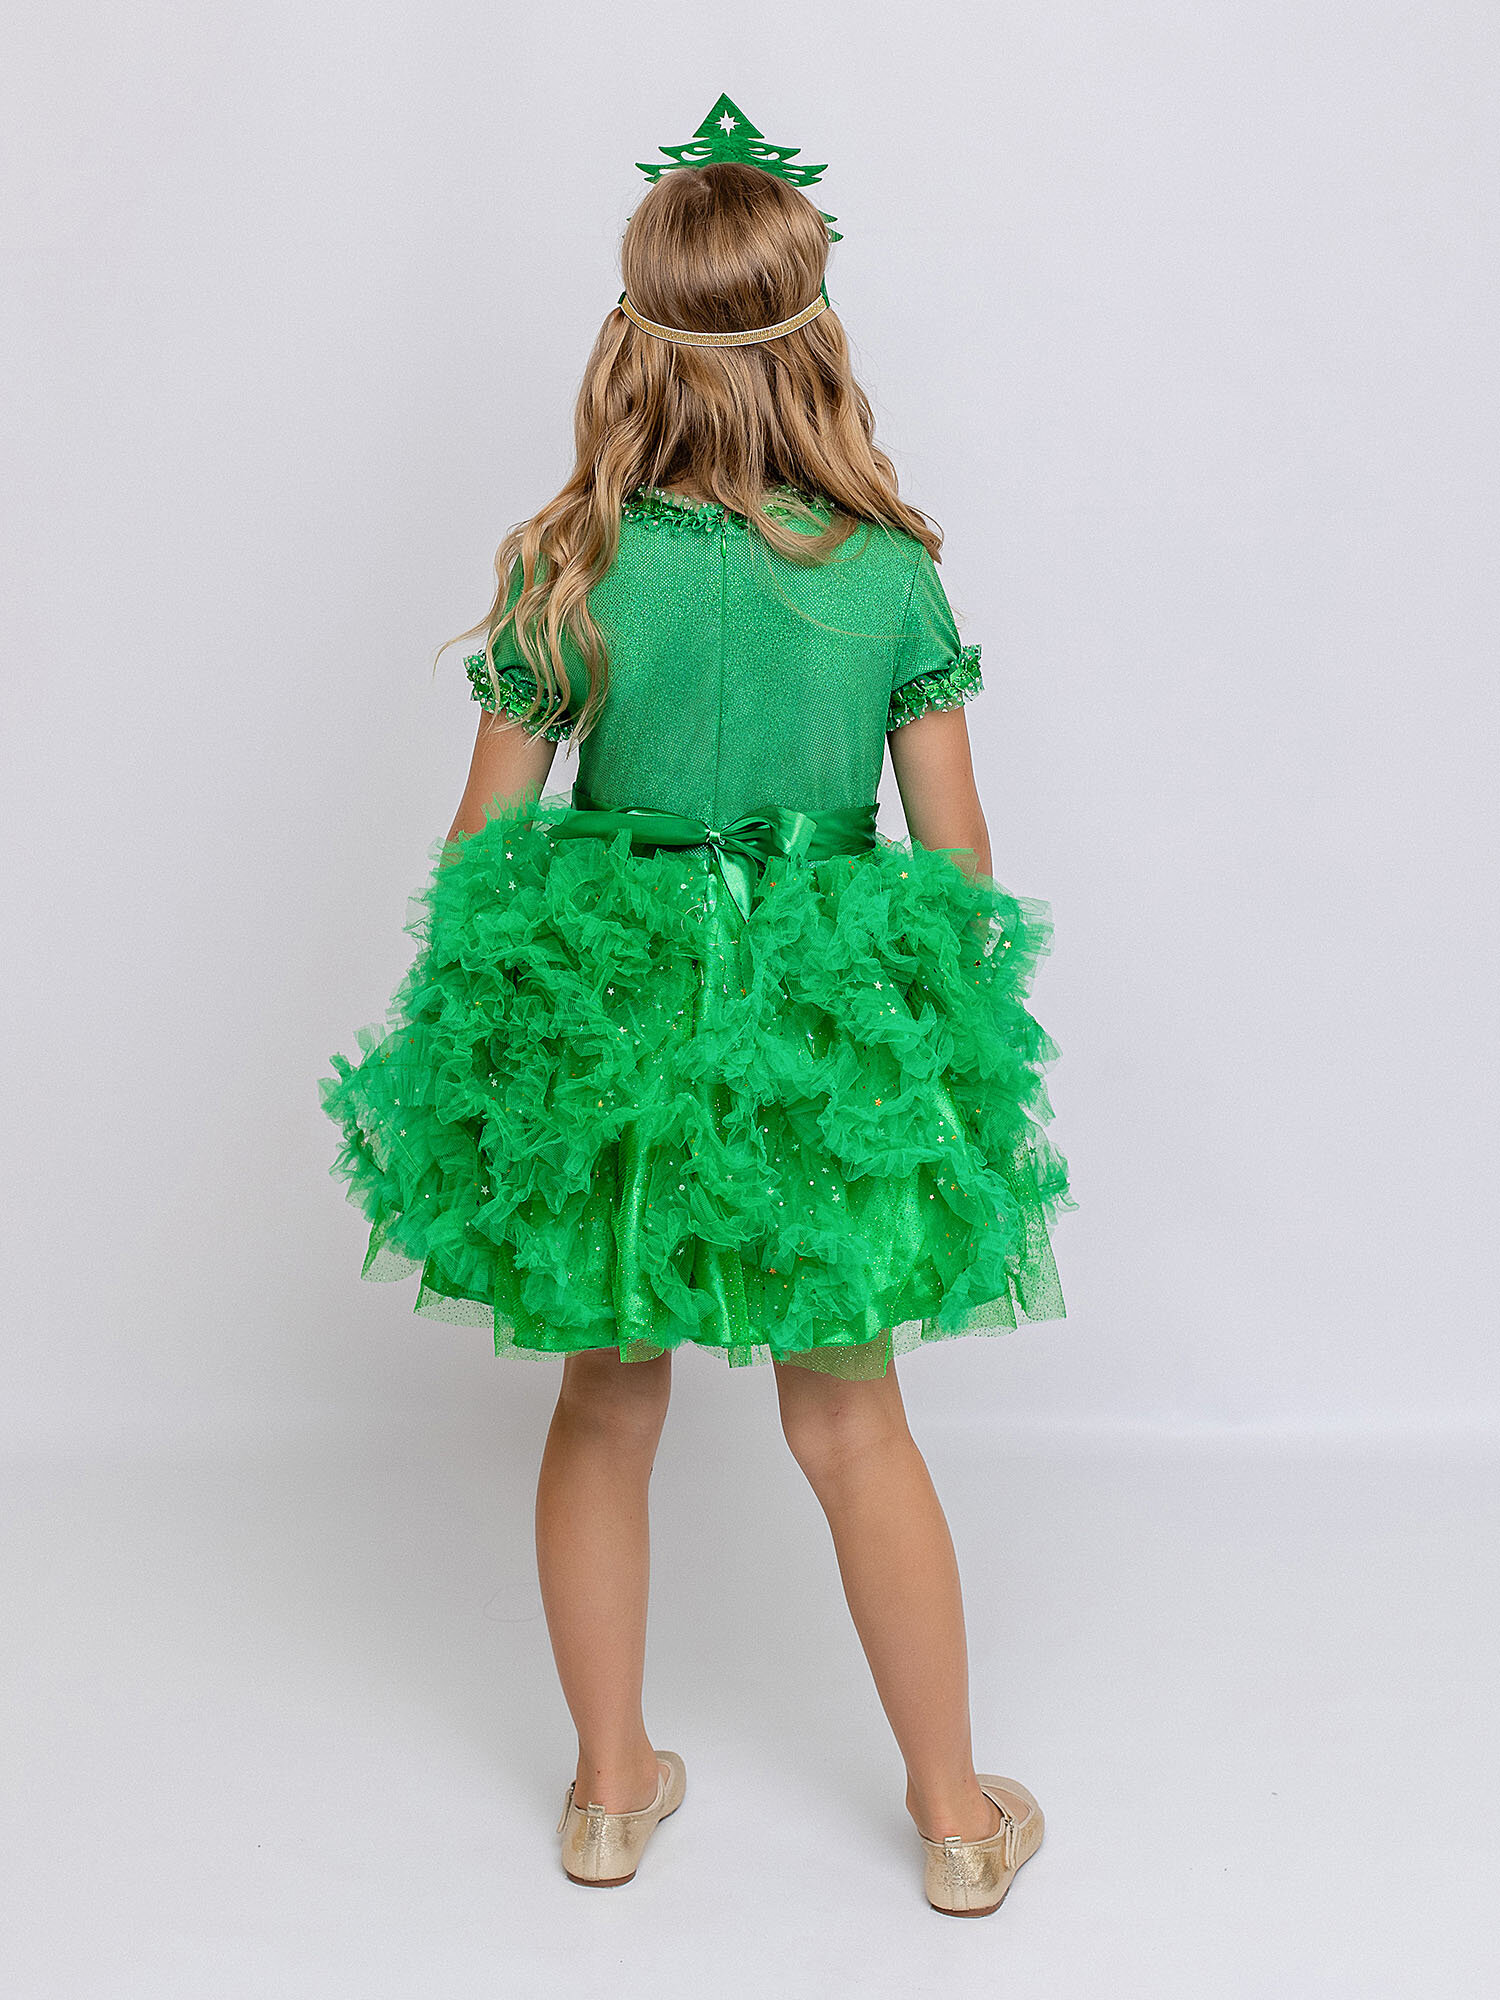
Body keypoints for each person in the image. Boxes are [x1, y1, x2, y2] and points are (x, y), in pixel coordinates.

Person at [320, 97, 1071, 1918]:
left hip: (622, 1019)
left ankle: (606, 1795)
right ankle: (957, 1818)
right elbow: (962, 861)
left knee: (605, 1399)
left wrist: (499, 1032)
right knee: (853, 1420)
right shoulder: (889, 572)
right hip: (815, 1026)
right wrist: (923, 1038)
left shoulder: (567, 563)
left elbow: (482, 845)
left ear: (629, 340)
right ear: (816, 335)